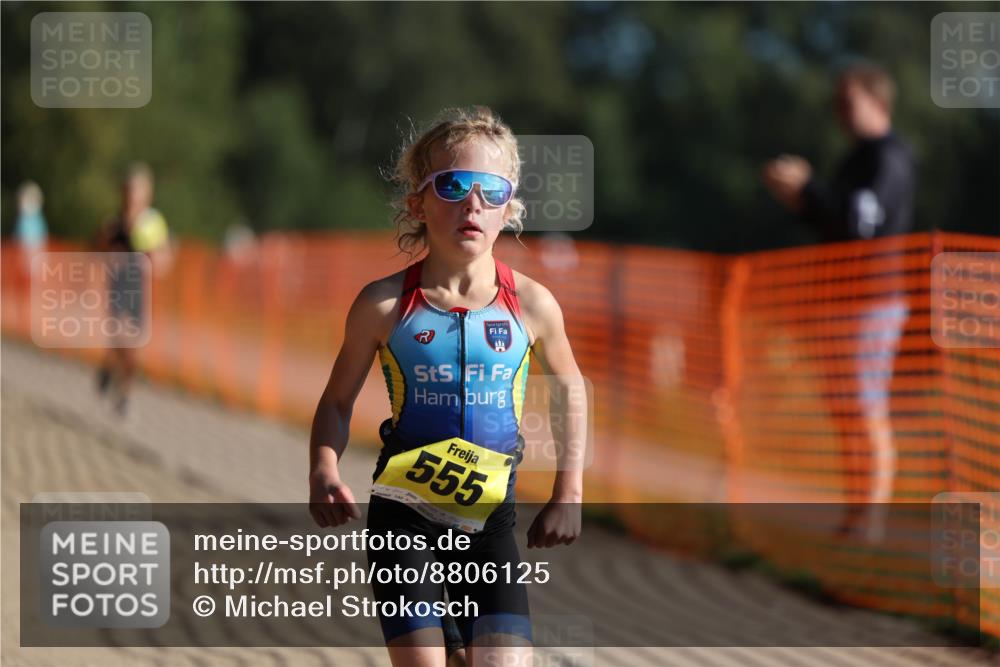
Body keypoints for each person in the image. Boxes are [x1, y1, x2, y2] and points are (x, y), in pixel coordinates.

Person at [308, 107, 585, 667]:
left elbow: (571, 390)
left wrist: (569, 493)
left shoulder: (531, 304)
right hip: (403, 522)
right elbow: (337, 401)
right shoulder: (383, 304)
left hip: (489, 526)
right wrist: (323, 469)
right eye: (454, 185)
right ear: (419, 202)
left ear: (510, 208)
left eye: (491, 189)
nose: (472, 203)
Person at [762, 63, 916, 542]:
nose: (841, 113)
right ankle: (856, 514)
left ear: (877, 100)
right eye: (838, 104)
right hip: (844, 298)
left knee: (866, 408)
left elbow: (861, 224)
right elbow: (837, 225)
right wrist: (804, 201)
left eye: (849, 102)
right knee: (846, 410)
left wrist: (809, 189)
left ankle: (871, 520)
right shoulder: (857, 158)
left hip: (873, 301)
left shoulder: (888, 157)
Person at [94, 162, 171, 416]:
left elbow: (164, 260)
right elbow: (97, 252)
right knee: (119, 338)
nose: (131, 195)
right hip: (117, 288)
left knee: (133, 348)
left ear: (147, 193)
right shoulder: (114, 224)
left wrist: (151, 259)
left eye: (136, 190)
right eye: (128, 190)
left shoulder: (153, 224)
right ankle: (108, 367)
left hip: (141, 291)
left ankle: (125, 393)